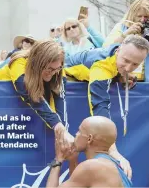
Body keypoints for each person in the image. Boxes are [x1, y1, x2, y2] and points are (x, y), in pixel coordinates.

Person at [64, 34, 149, 178]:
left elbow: (118, 67)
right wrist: (112, 150)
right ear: (119, 50)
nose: (129, 67)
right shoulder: (101, 67)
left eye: (135, 64)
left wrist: (121, 75)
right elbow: (100, 108)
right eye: (126, 61)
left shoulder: (117, 54)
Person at [0, 40, 73, 146]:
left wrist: (62, 132)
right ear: (38, 63)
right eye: (49, 69)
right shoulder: (19, 62)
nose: (53, 73)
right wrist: (57, 125)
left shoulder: (57, 68)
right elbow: (30, 94)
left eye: (57, 68)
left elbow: (60, 99)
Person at [46, 116, 132, 187]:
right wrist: (73, 160)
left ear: (89, 139)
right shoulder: (114, 164)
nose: (76, 134)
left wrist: (58, 159)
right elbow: (82, 183)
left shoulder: (93, 166)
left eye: (79, 131)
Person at [103, 0, 149, 81]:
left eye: (146, 17)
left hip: (145, 81)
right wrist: (126, 33)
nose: (142, 20)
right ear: (132, 14)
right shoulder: (121, 27)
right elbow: (106, 49)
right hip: (123, 77)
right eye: (139, 16)